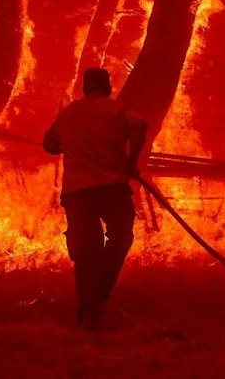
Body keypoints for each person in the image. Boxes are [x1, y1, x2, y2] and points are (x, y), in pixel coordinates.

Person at [42, 67, 148, 331]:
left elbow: (50, 144)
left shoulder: (68, 113)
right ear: (108, 86)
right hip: (112, 187)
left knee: (86, 252)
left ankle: (87, 307)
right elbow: (139, 126)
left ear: (84, 88)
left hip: (77, 192)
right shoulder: (118, 109)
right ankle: (99, 293)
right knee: (121, 237)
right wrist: (130, 163)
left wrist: (73, 142)